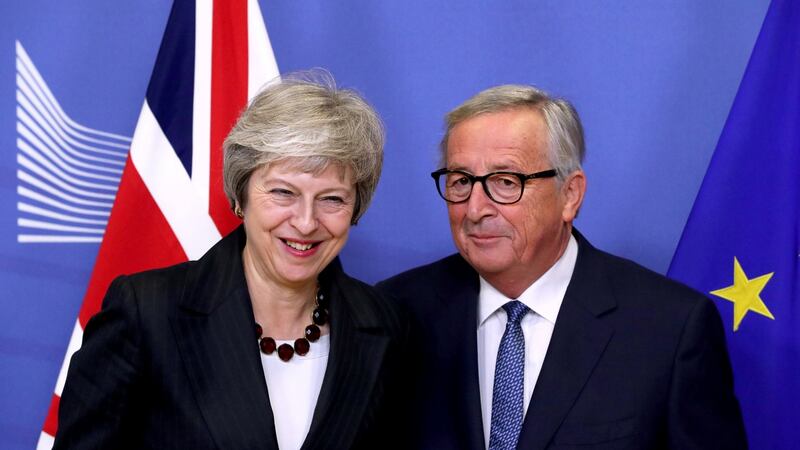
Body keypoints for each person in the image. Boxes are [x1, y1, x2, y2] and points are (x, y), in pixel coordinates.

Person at [377, 84, 746, 449]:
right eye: (460, 182)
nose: (475, 210)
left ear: (570, 195)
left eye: (506, 182)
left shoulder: (669, 327)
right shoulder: (395, 313)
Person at [54, 72, 408, 450]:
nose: (306, 222)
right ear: (241, 196)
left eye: (332, 199)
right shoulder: (146, 312)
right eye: (283, 192)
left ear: (356, 207)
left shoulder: (385, 325)